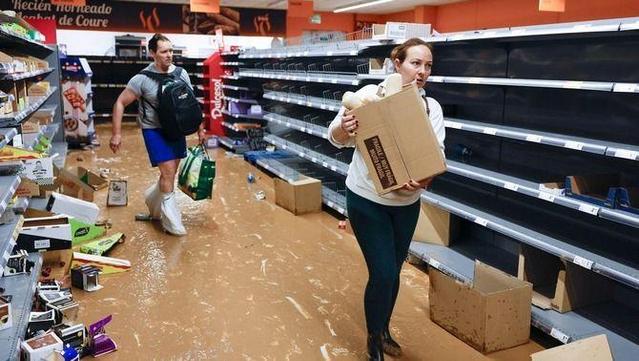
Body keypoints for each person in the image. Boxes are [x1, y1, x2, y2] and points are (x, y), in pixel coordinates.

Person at [327, 38, 446, 360]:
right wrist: (345, 128)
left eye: (428, 65)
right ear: (397, 63)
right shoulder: (367, 97)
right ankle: (373, 341)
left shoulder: (429, 108)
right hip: (367, 199)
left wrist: (420, 182)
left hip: (406, 205)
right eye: (415, 63)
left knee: (393, 270)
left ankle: (384, 328)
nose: (422, 71)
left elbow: (435, 158)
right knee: (382, 272)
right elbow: (335, 139)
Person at [109, 33, 205, 236]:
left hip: (176, 129)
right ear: (152, 53)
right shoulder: (141, 79)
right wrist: (116, 134)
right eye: (164, 52)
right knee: (169, 172)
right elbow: (119, 102)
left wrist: (200, 129)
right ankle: (172, 222)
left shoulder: (181, 73)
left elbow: (191, 104)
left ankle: (152, 202)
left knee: (170, 173)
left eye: (171, 51)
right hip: (154, 130)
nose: (169, 55)